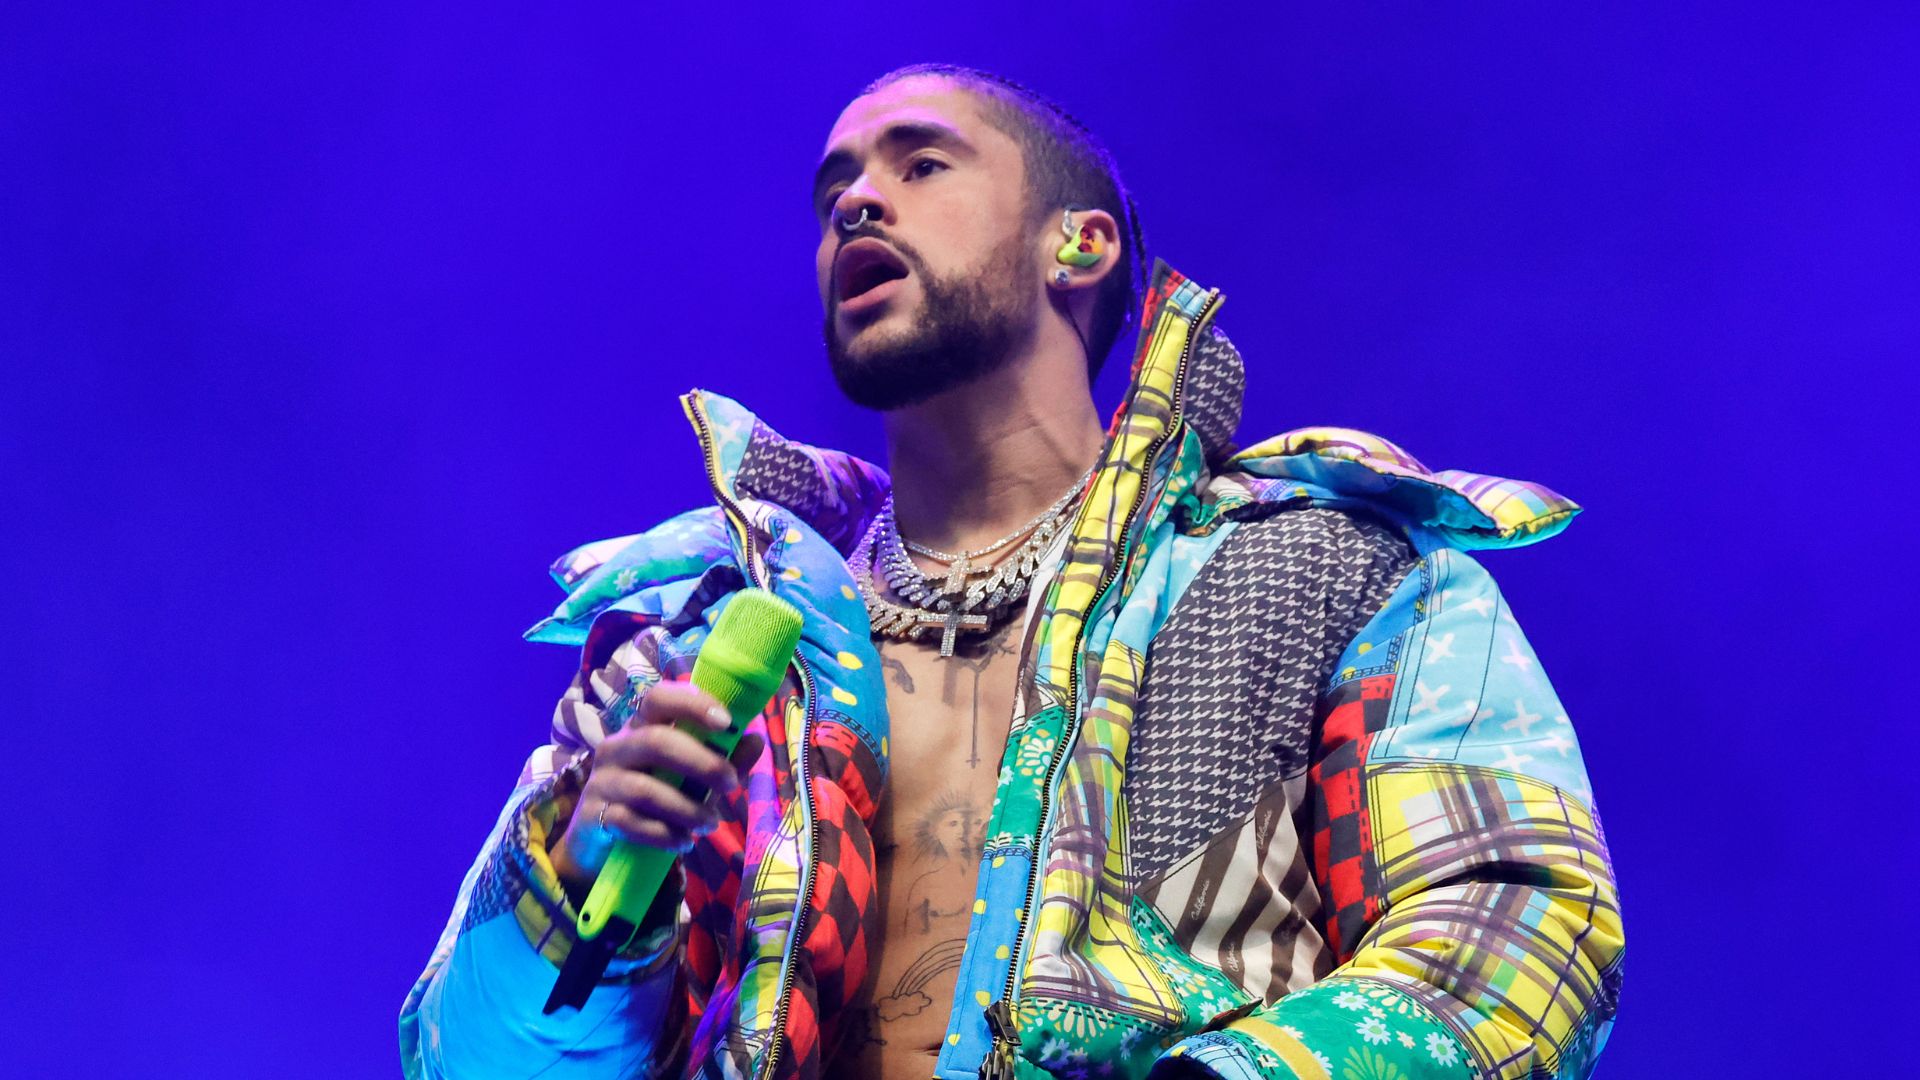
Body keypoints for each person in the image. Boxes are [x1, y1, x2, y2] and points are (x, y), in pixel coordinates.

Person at [400, 64, 1623, 1080]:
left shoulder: (1322, 568)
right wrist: (578, 877)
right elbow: (469, 1062)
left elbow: (1518, 929)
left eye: (918, 167)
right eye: (836, 191)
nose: (857, 208)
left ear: (1078, 245)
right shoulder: (706, 631)